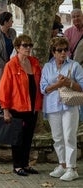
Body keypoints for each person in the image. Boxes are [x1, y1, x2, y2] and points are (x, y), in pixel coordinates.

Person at [0, 34, 43, 176]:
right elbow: (4, 89)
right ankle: (17, 166)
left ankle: (25, 164)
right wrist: (5, 110)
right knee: (17, 138)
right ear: (17, 47)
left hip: (32, 108)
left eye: (30, 45)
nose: (28, 48)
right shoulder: (11, 65)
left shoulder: (34, 62)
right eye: (25, 45)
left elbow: (40, 84)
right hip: (17, 108)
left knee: (28, 137)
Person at [40, 37, 83, 181]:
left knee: (69, 136)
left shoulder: (75, 65)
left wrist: (69, 83)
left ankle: (72, 168)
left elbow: (82, 86)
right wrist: (58, 84)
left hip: (70, 105)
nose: (63, 53)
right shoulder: (47, 67)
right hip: (52, 105)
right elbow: (43, 89)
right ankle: (62, 164)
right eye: (59, 50)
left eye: (66, 50)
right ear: (53, 52)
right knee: (57, 137)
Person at [0, 11, 17, 99]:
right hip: (0, 65)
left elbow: (16, 46)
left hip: (12, 63)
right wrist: (5, 65)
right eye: (10, 20)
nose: (12, 22)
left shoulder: (13, 32)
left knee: (12, 85)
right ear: (5, 22)